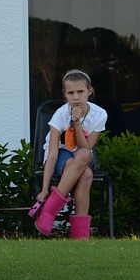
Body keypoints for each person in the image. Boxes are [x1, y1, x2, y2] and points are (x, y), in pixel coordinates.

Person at [34, 70, 108, 239]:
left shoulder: (100, 114)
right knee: (87, 174)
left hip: (83, 154)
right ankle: (81, 236)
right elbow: (52, 154)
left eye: (80, 92)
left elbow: (86, 147)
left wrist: (76, 122)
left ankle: (49, 210)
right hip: (62, 155)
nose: (76, 97)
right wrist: (44, 189)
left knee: (84, 154)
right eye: (70, 93)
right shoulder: (60, 114)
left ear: (89, 91)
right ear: (65, 95)